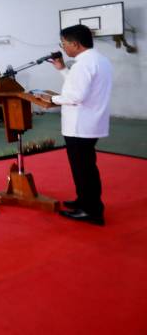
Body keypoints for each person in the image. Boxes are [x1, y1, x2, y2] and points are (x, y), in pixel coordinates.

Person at [38, 24, 112, 225]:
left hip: (80, 125)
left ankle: (91, 211)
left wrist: (51, 99)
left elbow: (76, 96)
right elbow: (78, 85)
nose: (63, 47)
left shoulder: (83, 64)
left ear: (75, 44)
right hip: (90, 123)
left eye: (64, 43)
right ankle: (84, 201)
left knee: (84, 169)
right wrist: (62, 69)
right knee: (85, 167)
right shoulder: (99, 60)